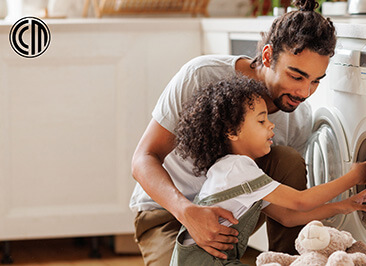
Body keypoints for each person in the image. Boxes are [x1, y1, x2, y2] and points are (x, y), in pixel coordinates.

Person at [130, 0, 337, 264]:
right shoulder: (201, 75)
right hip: (167, 213)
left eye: (316, 80)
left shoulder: (298, 118)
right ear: (266, 56)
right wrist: (188, 211)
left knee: (287, 160)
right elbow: (143, 158)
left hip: (233, 214)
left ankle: (288, 260)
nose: (305, 92)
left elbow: (288, 208)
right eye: (296, 77)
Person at [169, 76, 366, 265]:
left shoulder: (236, 170)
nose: (271, 125)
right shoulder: (237, 168)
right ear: (232, 131)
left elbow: (287, 217)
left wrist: (344, 206)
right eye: (261, 120)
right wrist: (356, 176)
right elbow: (300, 201)